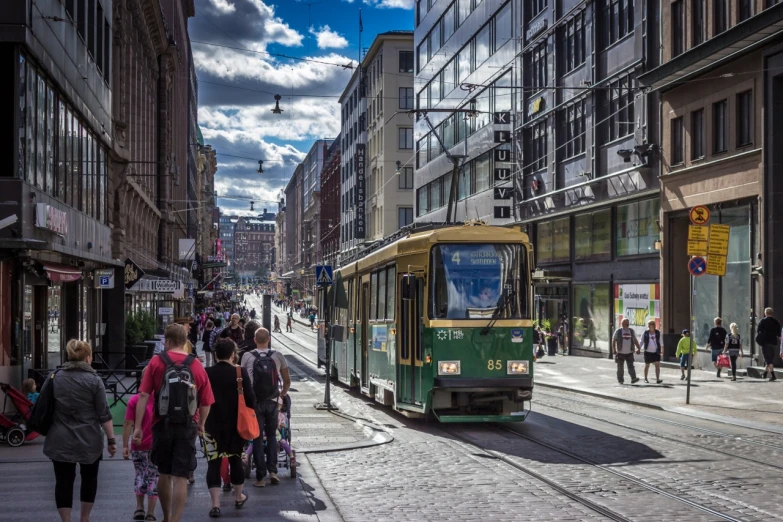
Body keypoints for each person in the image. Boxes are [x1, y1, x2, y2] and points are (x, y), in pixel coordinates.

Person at [133, 324, 215, 522]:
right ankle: (176, 519)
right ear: (186, 342)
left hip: (162, 424)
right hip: (188, 424)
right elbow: (206, 401)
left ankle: (167, 516)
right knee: (180, 476)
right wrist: (201, 423)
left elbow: (143, 395)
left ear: (167, 342)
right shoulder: (195, 365)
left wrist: (137, 427)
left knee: (164, 472)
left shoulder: (155, 362)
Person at [44, 339, 116, 522]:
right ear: (87, 358)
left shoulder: (55, 377)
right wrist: (111, 440)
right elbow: (104, 414)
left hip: (60, 438)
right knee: (89, 479)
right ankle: (85, 518)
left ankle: (66, 520)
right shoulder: (94, 381)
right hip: (89, 438)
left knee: (63, 481)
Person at [204, 339, 255, 518]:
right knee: (235, 460)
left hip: (211, 425)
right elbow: (251, 399)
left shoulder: (206, 372)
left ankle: (215, 504)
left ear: (216, 354)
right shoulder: (239, 372)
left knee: (213, 463)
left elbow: (200, 398)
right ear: (233, 354)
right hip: (236, 425)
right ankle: (239, 496)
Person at [241, 328, 291, 487]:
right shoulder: (278, 355)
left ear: (255, 340)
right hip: (273, 402)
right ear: (268, 339)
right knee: (271, 436)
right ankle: (273, 471)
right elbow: (287, 380)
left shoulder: (247, 356)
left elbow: (242, 381)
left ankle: (260, 478)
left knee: (256, 437)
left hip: (255, 403)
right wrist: (282, 395)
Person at [123, 376, 159, 522]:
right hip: (155, 445)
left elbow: (127, 423)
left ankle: (139, 508)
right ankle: (150, 513)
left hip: (138, 445)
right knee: (153, 477)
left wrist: (125, 445)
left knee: (139, 474)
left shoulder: (134, 400)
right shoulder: (160, 400)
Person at [612, 318, 641, 385]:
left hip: (629, 352)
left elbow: (635, 340)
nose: (627, 324)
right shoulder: (618, 331)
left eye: (627, 322)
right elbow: (613, 340)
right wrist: (614, 349)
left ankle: (633, 378)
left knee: (631, 366)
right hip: (620, 352)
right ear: (622, 323)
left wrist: (638, 348)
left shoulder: (631, 331)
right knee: (620, 368)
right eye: (625, 322)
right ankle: (620, 380)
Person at [756, 307, 781, 381]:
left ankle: (773, 375)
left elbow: (758, 331)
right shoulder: (776, 322)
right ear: (772, 313)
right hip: (774, 343)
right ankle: (765, 374)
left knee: (768, 359)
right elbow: (779, 334)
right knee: (770, 359)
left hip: (765, 342)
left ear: (765, 313)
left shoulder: (763, 321)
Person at [640, 320, 664, 384]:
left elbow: (661, 341)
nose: (651, 326)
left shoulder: (658, 332)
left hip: (656, 351)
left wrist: (662, 350)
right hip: (647, 351)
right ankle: (645, 378)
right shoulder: (645, 333)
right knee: (647, 365)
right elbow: (641, 341)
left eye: (653, 324)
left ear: (654, 325)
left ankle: (658, 379)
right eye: (650, 325)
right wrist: (638, 348)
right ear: (648, 326)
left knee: (657, 365)